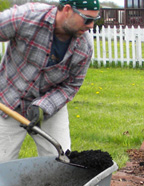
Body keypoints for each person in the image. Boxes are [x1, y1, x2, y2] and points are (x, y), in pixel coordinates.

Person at [0, 0, 100, 162]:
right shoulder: (28, 16)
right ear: (67, 10)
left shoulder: (84, 46)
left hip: (50, 107)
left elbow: (71, 86)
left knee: (61, 162)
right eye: (87, 19)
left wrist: (44, 106)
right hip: (8, 99)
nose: (91, 26)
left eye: (95, 19)